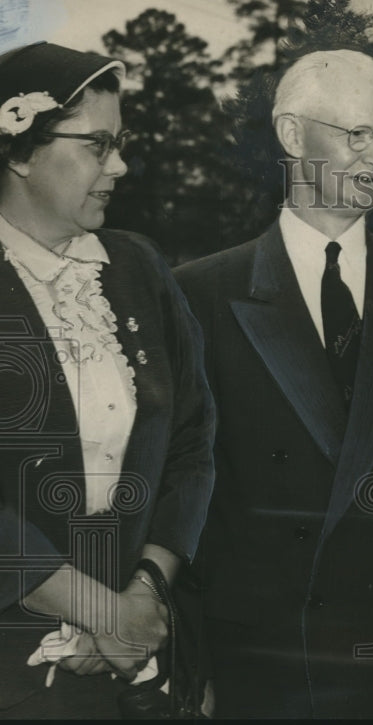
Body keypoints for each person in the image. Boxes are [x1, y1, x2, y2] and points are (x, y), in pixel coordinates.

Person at [174, 47, 373, 719]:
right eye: (357, 134)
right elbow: (184, 495)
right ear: (292, 135)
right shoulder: (199, 293)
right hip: (257, 658)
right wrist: (189, 657)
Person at [0, 42, 215, 718]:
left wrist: (143, 596)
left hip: (143, 659)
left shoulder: (136, 267)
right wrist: (100, 612)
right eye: (98, 145)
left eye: (120, 144)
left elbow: (193, 440)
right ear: (21, 152)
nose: (119, 165)